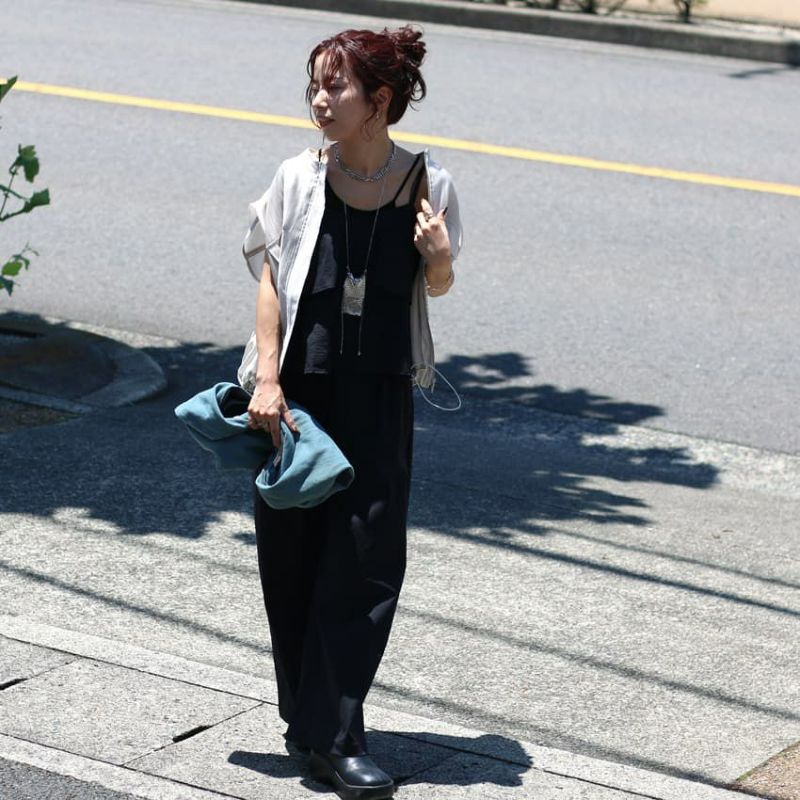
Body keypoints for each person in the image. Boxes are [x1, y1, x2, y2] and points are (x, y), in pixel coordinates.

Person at [241, 23, 463, 800]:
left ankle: (336, 734)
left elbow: (438, 287)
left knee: (366, 562)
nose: (319, 99)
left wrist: (439, 258)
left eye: (335, 86)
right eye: (315, 84)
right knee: (292, 556)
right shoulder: (298, 178)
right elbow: (271, 277)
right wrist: (268, 379)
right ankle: (313, 723)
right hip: (298, 392)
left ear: (380, 100)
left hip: (380, 393)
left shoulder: (430, 184)